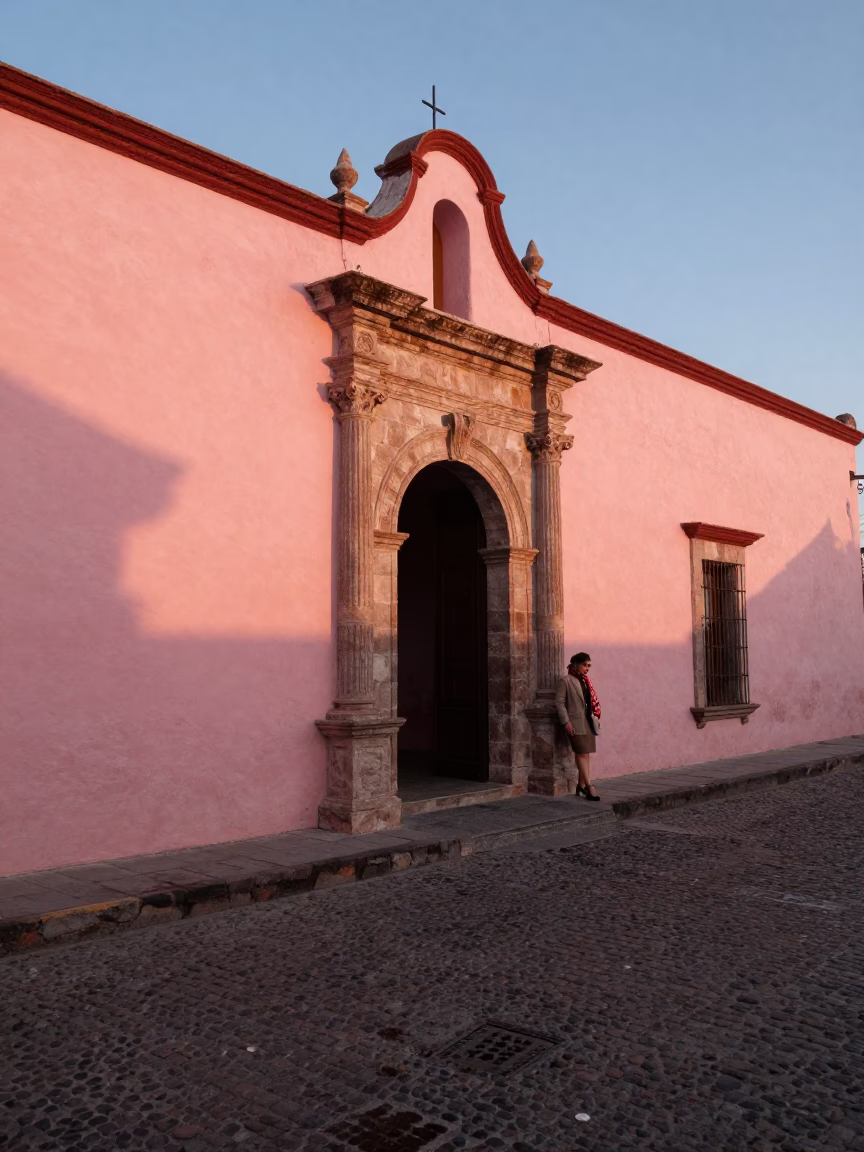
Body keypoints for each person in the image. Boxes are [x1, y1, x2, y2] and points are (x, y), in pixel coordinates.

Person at [555, 652, 601, 800]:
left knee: (586, 754)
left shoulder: (586, 681)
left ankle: (580, 786)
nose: (587, 668)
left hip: (588, 721)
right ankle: (589, 786)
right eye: (585, 665)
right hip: (574, 722)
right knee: (581, 753)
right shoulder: (566, 680)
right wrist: (566, 721)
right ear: (575, 664)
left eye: (589, 666)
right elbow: (559, 703)